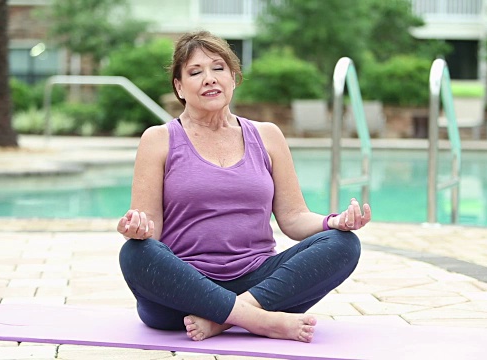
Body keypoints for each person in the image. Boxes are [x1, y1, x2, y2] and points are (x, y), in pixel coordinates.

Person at [117, 30, 372, 344]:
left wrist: (332, 222)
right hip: (183, 294)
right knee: (135, 253)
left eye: (218, 68)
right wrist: (137, 229)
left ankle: (229, 318)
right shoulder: (158, 139)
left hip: (259, 284)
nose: (209, 79)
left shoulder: (267, 136)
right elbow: (149, 229)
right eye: (195, 72)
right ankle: (261, 321)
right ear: (180, 87)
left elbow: (293, 218)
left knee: (344, 244)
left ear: (234, 78)